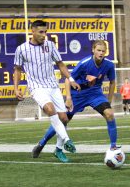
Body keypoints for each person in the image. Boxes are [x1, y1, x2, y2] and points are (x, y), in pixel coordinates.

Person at [32, 40, 119, 162]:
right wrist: (68, 98)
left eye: (103, 51)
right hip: (77, 94)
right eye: (98, 50)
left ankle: (113, 147)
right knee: (63, 121)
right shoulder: (84, 63)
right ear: (93, 50)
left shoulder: (109, 65)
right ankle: (42, 144)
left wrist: (109, 100)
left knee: (110, 114)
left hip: (95, 94)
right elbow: (68, 79)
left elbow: (112, 82)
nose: (101, 53)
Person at [13, 20, 81, 162]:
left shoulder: (50, 45)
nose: (44, 35)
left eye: (45, 32)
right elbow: (17, 70)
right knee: (50, 110)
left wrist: (71, 79)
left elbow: (60, 64)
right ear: (32, 31)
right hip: (37, 87)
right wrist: (16, 87)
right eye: (41, 32)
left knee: (64, 119)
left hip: (53, 86)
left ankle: (58, 150)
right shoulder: (22, 49)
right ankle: (67, 140)